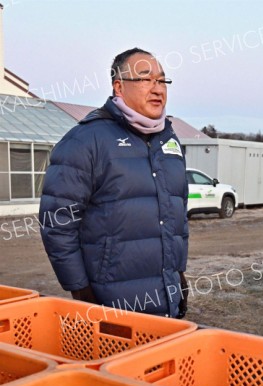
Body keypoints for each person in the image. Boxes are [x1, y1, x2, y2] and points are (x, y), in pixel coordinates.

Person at [40, 47, 189, 318]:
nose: (157, 89)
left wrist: (179, 273)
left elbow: (178, 218)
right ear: (119, 87)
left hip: (168, 305)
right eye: (145, 79)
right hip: (111, 308)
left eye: (162, 80)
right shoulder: (86, 141)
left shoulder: (170, 141)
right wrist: (80, 289)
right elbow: (57, 222)